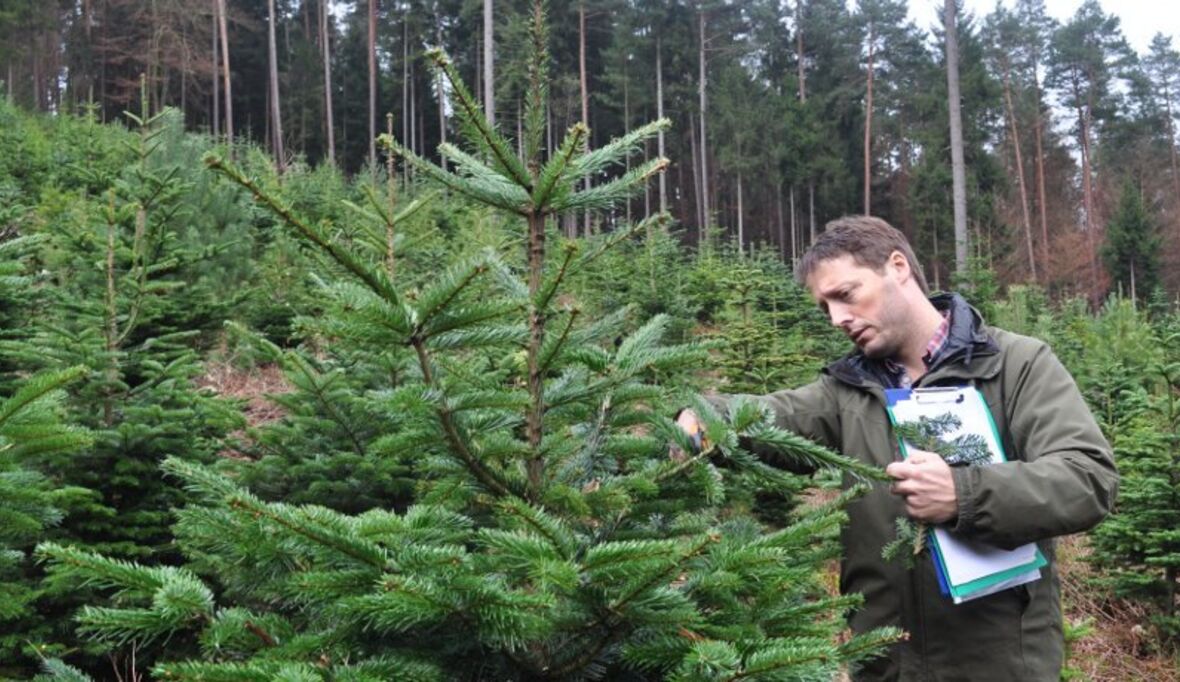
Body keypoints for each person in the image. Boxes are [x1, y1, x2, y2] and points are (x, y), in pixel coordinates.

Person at [674, 216, 1117, 681]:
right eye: (825, 306)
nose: (837, 318)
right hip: (885, 667)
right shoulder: (849, 389)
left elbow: (1087, 478)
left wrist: (964, 494)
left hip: (998, 667)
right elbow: (775, 415)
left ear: (898, 266)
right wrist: (704, 416)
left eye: (846, 294)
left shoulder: (1016, 365)